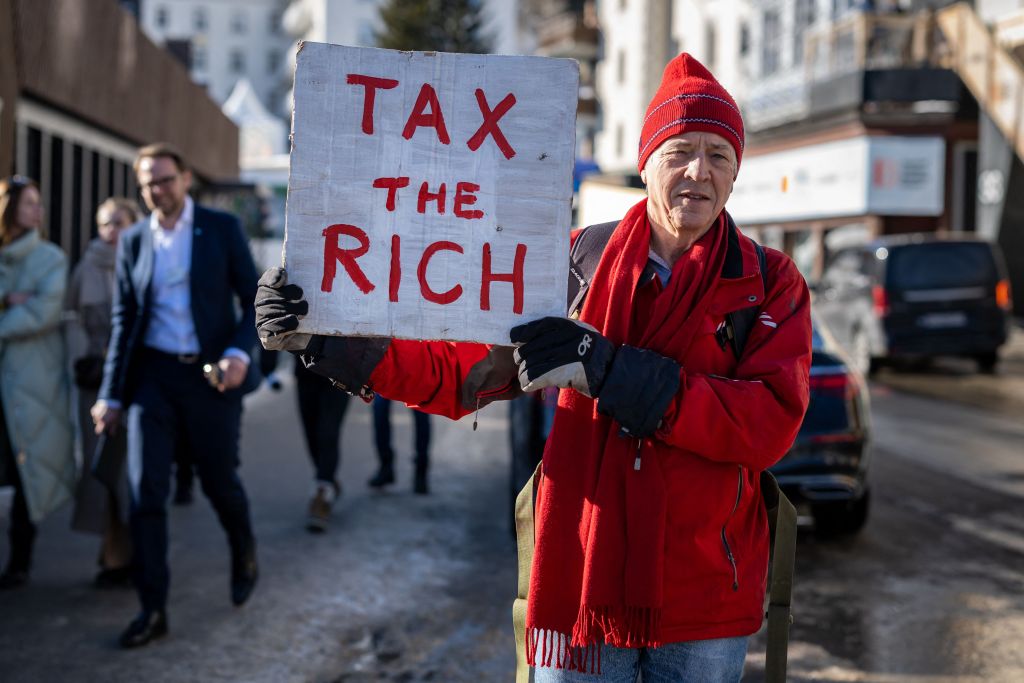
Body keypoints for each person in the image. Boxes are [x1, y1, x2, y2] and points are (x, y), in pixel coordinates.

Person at [256, 54, 812, 681]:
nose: (698, 172)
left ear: (736, 173)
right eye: (680, 149)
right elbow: (461, 370)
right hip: (579, 579)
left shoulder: (768, 282)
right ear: (646, 161)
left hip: (705, 594)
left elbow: (767, 424)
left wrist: (605, 370)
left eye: (719, 155)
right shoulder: (573, 260)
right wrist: (330, 342)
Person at [91, 143, 261, 648]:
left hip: (210, 376)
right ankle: (153, 608)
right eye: (147, 183)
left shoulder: (221, 228)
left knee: (218, 482)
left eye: (165, 180)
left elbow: (255, 302)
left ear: (185, 178)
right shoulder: (136, 240)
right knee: (147, 495)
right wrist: (111, 395)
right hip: (154, 379)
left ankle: (243, 547)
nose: (156, 191)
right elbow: (125, 321)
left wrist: (238, 353)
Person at [0, 175, 75, 590]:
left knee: (26, 468)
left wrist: (13, 306)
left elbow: (41, 312)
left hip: (32, 382)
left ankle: (20, 560)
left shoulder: (49, 257)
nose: (37, 210)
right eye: (28, 203)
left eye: (38, 203)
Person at [64, 197, 140, 587]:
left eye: (119, 223)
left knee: (130, 469)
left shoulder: (143, 261)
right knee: (99, 468)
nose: (112, 231)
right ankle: (112, 550)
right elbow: (71, 320)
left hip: (133, 380)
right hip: (93, 383)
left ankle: (129, 551)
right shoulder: (86, 267)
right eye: (106, 223)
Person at [294, 360, 350, 531]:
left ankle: (322, 494)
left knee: (328, 432)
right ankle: (328, 478)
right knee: (311, 434)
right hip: (306, 370)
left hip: (341, 370)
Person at [368, 397, 431, 495]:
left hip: (414, 382)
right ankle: (385, 467)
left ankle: (421, 471)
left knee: (421, 411)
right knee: (379, 409)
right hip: (388, 381)